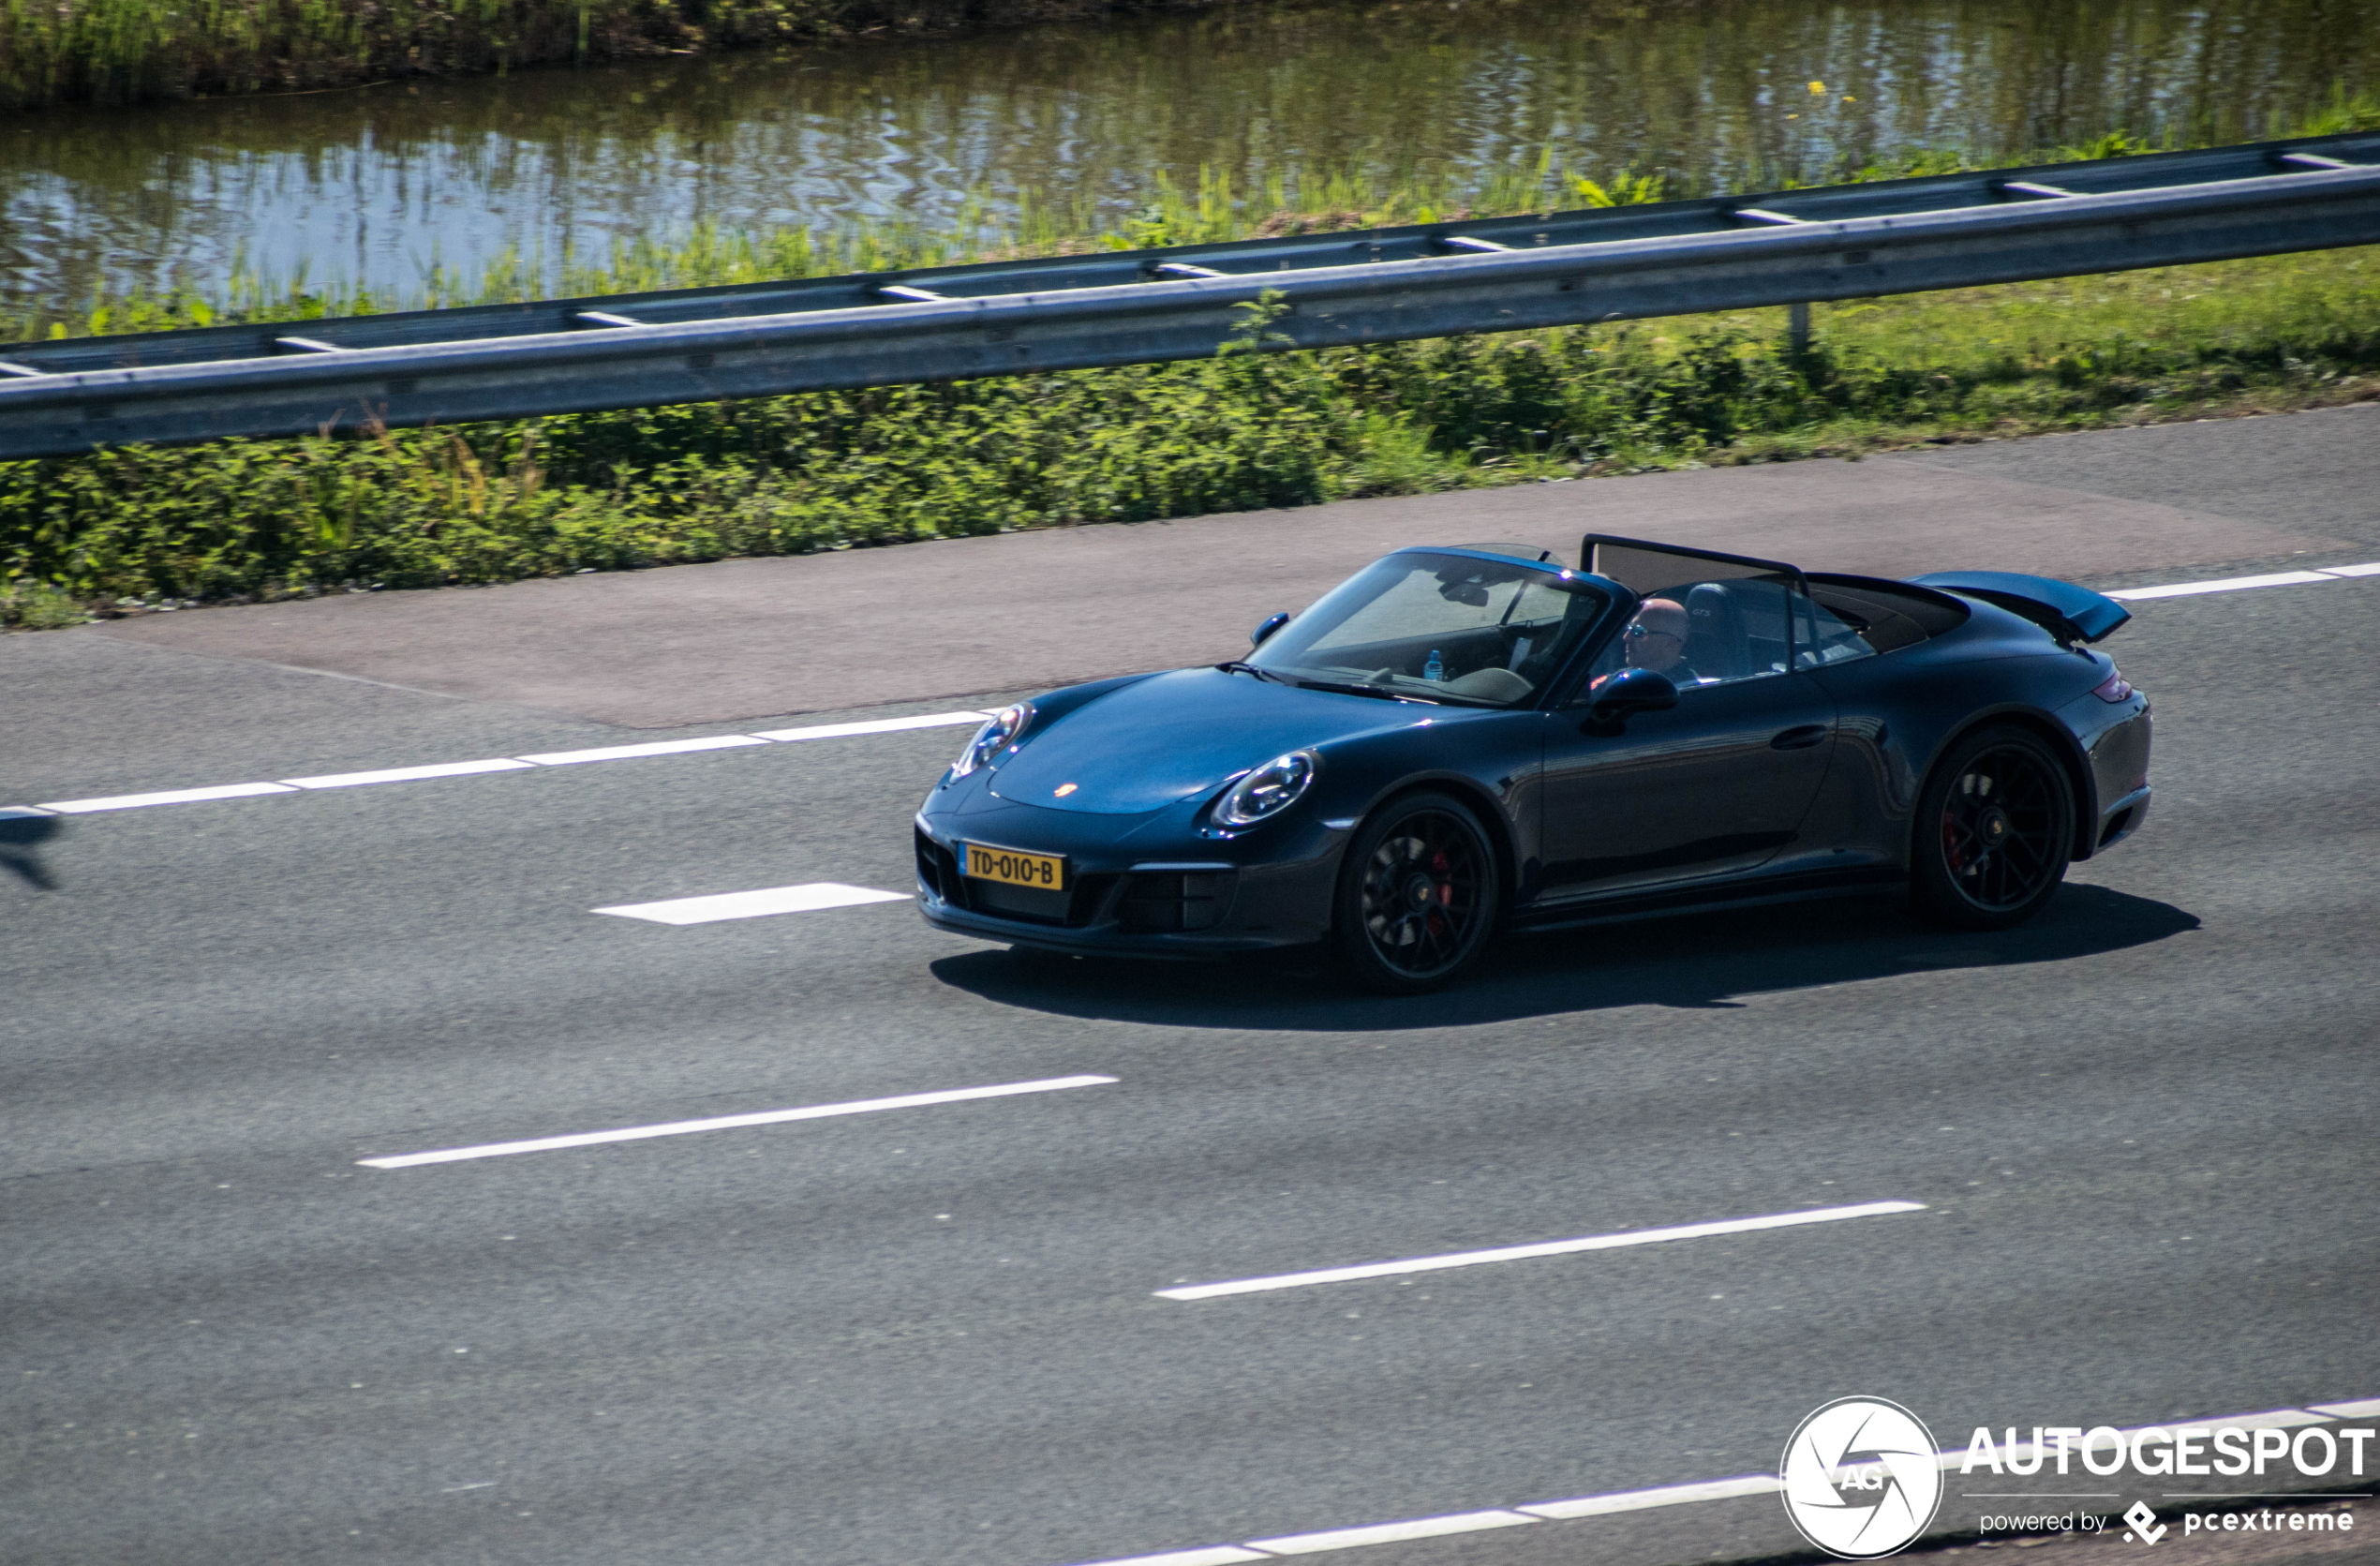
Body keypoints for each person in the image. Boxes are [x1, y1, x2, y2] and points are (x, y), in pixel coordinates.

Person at [1592, 596, 1698, 690]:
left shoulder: (1688, 690)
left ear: (1669, 642)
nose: (1626, 638)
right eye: (1628, 629)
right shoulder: (1618, 678)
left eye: (1638, 632)